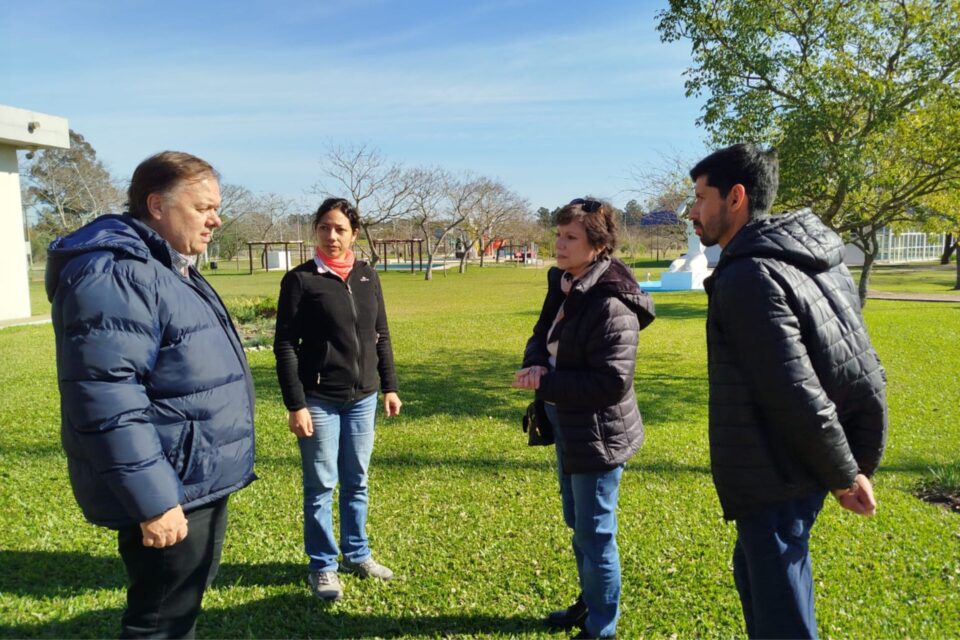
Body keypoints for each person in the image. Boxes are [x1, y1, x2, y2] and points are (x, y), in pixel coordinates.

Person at [46, 151, 256, 638]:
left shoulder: (166, 264)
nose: (216, 219)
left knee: (177, 612)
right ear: (157, 205)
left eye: (216, 207)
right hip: (170, 486)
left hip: (191, 474)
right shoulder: (119, 272)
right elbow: (107, 399)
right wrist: (154, 502)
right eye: (203, 206)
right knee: (160, 622)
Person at [688, 144, 888, 639]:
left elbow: (795, 391)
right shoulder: (802, 255)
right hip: (790, 469)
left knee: (782, 617)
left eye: (699, 198)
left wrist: (844, 475)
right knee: (759, 585)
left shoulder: (749, 275)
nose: (691, 211)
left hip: (775, 471)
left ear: (736, 198)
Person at [513, 198, 655, 640]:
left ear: (598, 245)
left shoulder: (611, 301)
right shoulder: (565, 282)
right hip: (567, 424)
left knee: (595, 533)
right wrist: (536, 364)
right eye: (557, 234)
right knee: (579, 524)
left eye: (570, 237)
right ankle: (590, 602)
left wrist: (546, 384)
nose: (558, 243)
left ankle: (601, 627)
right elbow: (541, 334)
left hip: (599, 434)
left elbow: (611, 382)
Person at [273, 197, 402, 602]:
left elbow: (380, 335)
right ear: (315, 230)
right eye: (325, 227)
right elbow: (284, 345)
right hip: (319, 400)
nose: (331, 236)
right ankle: (324, 566)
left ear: (354, 234)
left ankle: (358, 554)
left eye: (340, 229)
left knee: (357, 481)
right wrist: (296, 404)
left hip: (362, 398)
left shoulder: (367, 276)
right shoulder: (300, 281)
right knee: (321, 484)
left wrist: (389, 386)